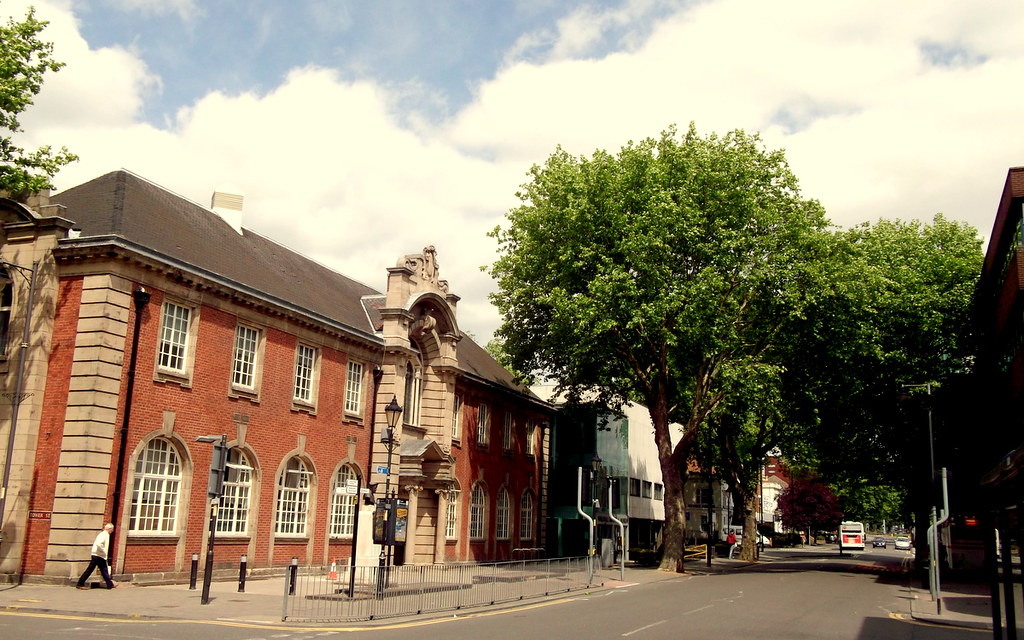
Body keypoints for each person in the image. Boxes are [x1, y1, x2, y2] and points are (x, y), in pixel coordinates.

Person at [76, 523, 117, 590]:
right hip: (98, 555)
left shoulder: (104, 534)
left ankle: (109, 584)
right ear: (109, 529)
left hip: (98, 555)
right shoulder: (104, 535)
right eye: (112, 529)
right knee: (93, 570)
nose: (112, 531)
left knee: (103, 570)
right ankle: (80, 583)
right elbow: (99, 544)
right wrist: (103, 552)